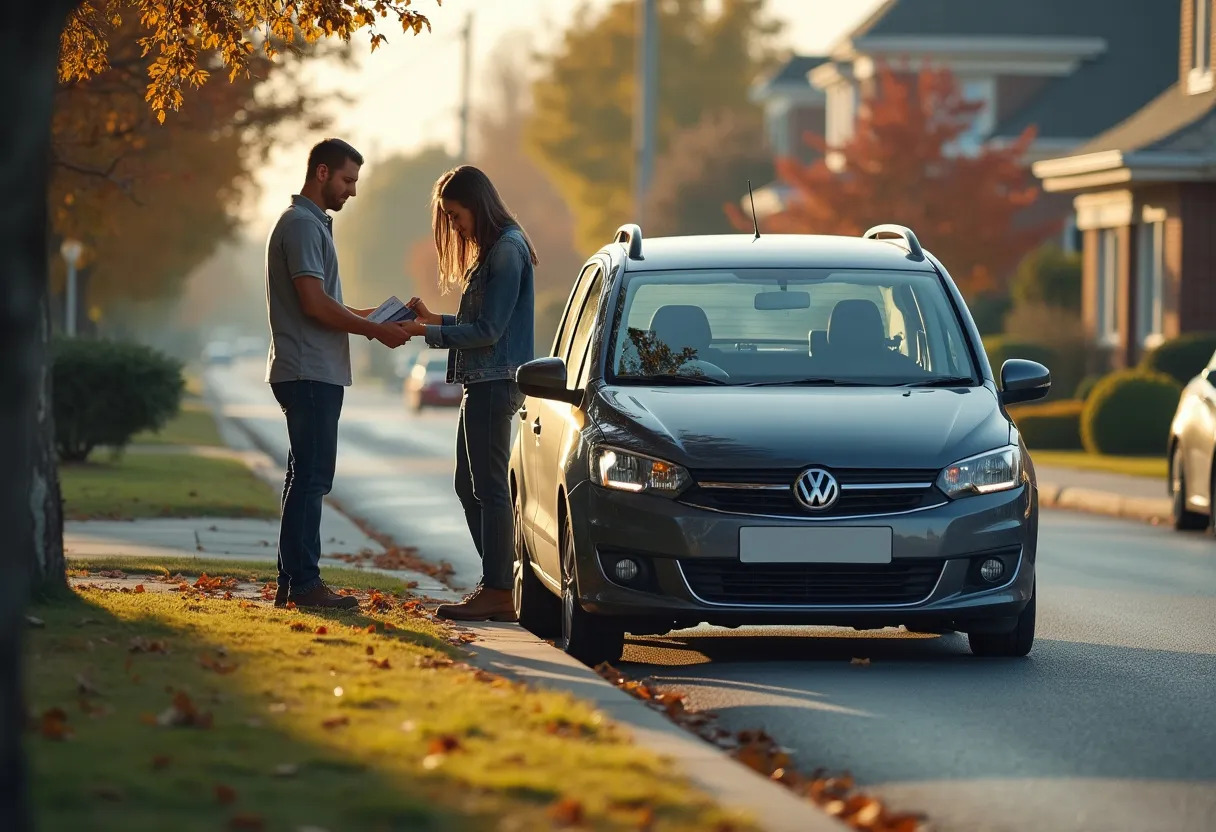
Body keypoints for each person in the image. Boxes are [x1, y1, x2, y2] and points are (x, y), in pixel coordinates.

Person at [265, 137, 412, 610]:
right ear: (322, 173)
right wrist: (371, 331)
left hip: (311, 370)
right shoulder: (303, 226)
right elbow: (312, 305)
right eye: (348, 180)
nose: (352, 191)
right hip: (309, 372)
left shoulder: (310, 226)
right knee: (312, 480)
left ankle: (293, 583)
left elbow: (323, 300)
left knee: (302, 477)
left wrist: (375, 316)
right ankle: (306, 585)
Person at [401, 166, 537, 622]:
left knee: (491, 489)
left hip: (495, 384)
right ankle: (498, 578)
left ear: (477, 206)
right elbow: (476, 325)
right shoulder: (496, 250)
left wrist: (425, 333)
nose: (455, 226)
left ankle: (500, 588)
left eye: (457, 216)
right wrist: (432, 319)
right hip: (482, 381)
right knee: (469, 484)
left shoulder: (507, 252)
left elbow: (488, 331)